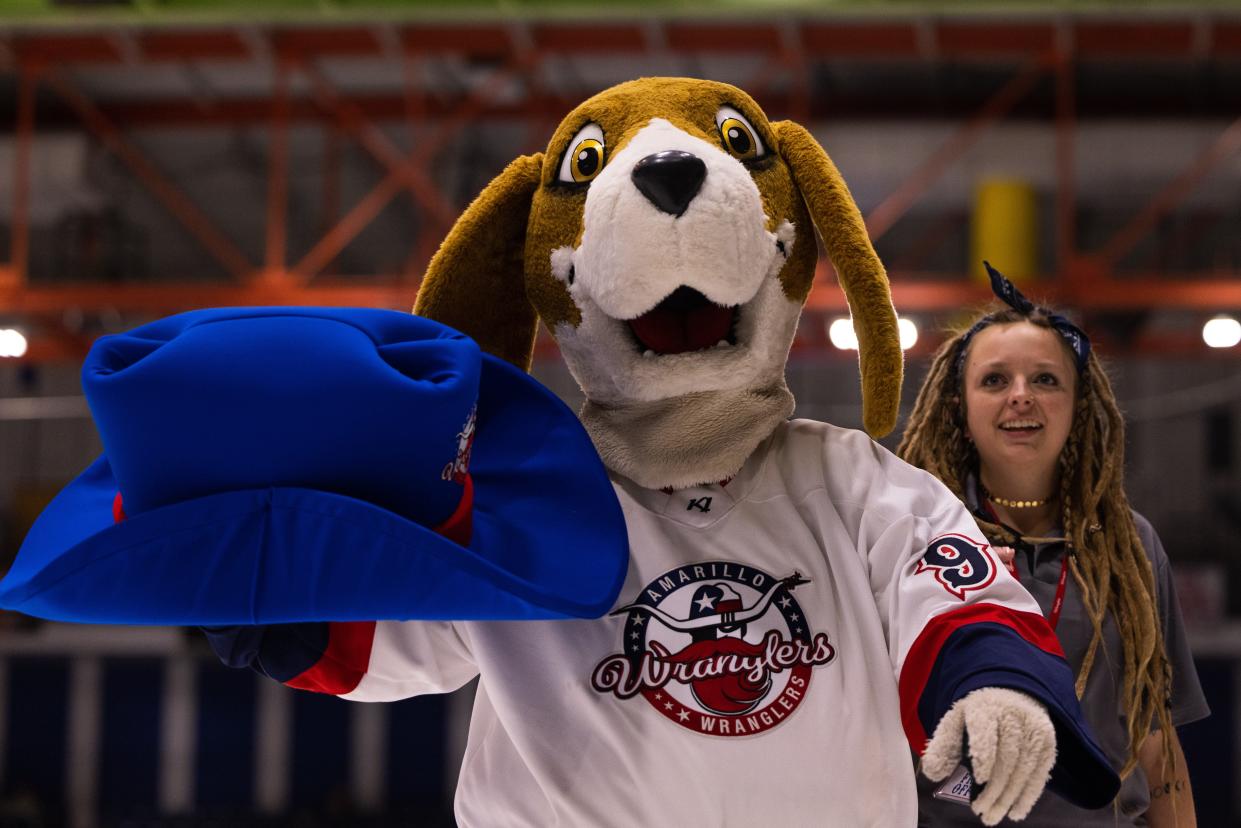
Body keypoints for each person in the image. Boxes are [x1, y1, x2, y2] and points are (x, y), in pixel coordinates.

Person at [898, 263, 1209, 826]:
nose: (1021, 396)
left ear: (1076, 408)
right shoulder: (913, 538)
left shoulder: (1129, 546)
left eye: (1045, 380)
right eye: (994, 380)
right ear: (962, 413)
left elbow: (1157, 745)